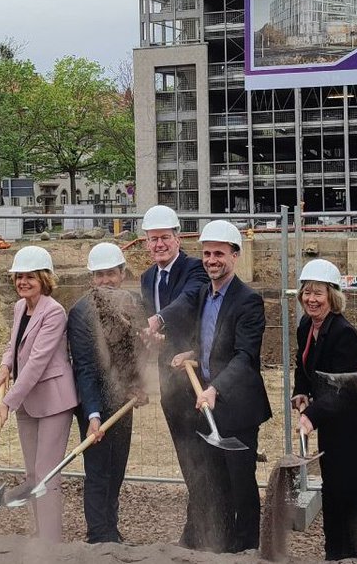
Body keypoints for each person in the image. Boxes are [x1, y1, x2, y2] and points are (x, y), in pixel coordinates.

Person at [160, 220, 271, 553]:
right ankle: (220, 545)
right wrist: (192, 354)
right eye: (207, 254)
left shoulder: (249, 301)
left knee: (240, 483)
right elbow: (212, 344)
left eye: (219, 254)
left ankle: (248, 549)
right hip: (208, 403)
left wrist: (214, 389)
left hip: (236, 407)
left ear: (234, 256)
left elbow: (244, 356)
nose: (211, 260)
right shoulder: (205, 296)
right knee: (214, 481)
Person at [0, 245, 78, 542]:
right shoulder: (20, 307)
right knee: (32, 474)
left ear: (44, 279)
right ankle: (38, 532)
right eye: (18, 277)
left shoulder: (54, 312)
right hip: (28, 402)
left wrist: (7, 403)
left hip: (53, 401)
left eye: (29, 276)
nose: (22, 282)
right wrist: (5, 367)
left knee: (46, 474)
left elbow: (37, 362)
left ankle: (50, 543)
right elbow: (13, 347)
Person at [291, 259, 357, 561]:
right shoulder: (307, 326)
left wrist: (311, 416)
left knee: (346, 492)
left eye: (318, 294)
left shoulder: (343, 334)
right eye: (306, 293)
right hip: (330, 422)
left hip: (350, 426)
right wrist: (301, 392)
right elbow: (303, 364)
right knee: (332, 488)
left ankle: (349, 553)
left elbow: (343, 389)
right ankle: (332, 552)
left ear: (333, 297)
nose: (311, 299)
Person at [139, 205, 210, 548]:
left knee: (204, 456)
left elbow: (188, 301)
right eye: (153, 240)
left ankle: (202, 529)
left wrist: (157, 321)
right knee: (185, 456)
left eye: (165, 238)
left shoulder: (195, 269)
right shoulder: (147, 278)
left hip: (198, 376)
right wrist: (153, 339)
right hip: (170, 382)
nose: (159, 245)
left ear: (178, 238)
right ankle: (197, 526)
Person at [67, 242, 148, 544]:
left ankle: (110, 528)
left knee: (117, 468)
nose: (104, 281)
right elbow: (84, 368)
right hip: (94, 403)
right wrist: (93, 414)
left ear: (123, 273)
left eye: (110, 274)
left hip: (123, 400)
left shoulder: (135, 303)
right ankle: (99, 535)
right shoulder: (80, 313)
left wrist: (138, 386)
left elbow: (136, 353)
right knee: (99, 470)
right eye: (98, 275)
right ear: (91, 278)